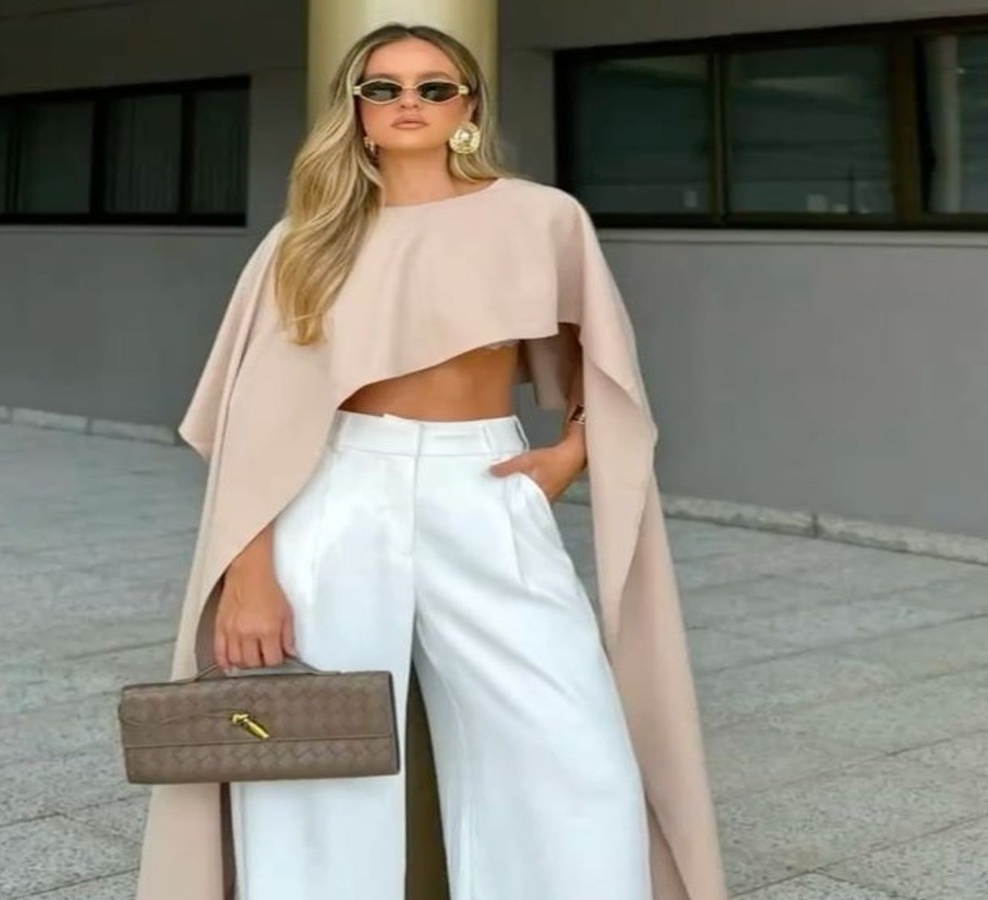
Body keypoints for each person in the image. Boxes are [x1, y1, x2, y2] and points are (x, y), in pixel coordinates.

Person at [134, 21, 728, 900]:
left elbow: (607, 372)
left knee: (570, 744)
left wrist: (571, 453)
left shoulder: (541, 217)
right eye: (383, 88)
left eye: (432, 86)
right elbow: (253, 422)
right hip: (333, 493)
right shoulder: (305, 241)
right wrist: (250, 573)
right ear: (357, 110)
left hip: (484, 484)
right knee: (313, 754)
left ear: (468, 107)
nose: (407, 102)